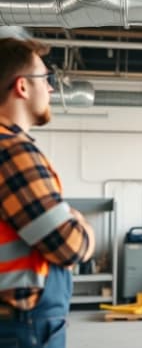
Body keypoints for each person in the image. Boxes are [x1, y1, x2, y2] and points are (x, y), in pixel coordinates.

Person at [0, 38, 96, 347]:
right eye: (46, 79)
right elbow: (70, 247)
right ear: (22, 87)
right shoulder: (11, 151)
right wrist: (84, 227)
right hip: (21, 325)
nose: (51, 89)